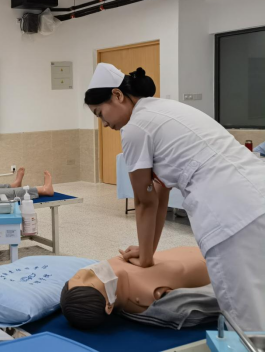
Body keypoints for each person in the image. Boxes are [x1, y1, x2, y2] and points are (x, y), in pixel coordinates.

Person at [83, 63, 265, 331]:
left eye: (100, 114)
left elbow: (144, 201)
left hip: (229, 213)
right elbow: (159, 192)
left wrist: (146, 260)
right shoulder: (165, 108)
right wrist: (147, 251)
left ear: (117, 95)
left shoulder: (135, 128)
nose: (104, 123)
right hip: (256, 189)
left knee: (246, 315)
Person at [60, 247, 211, 329]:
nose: (89, 271)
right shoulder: (145, 298)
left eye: (79, 275)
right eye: (91, 281)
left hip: (201, 246)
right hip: (216, 261)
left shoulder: (113, 271)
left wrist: (145, 250)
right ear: (108, 305)